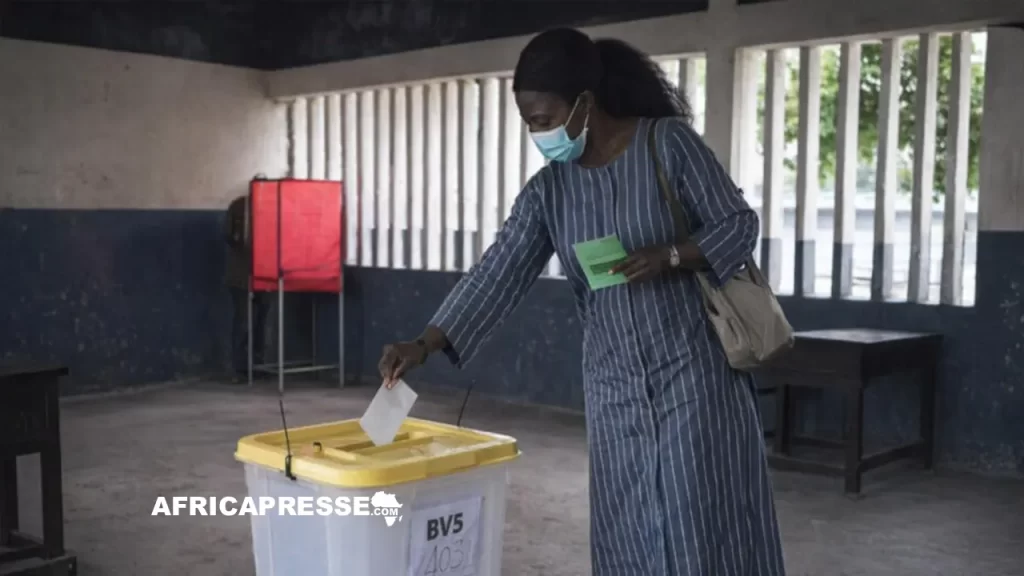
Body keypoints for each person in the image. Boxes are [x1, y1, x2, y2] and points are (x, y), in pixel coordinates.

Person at [378, 28, 786, 576]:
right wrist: (424, 343)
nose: (537, 133)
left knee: (703, 519)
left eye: (543, 119)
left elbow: (738, 224)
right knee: (627, 528)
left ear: (585, 104)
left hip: (694, 378)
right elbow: (496, 272)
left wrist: (670, 254)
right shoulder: (550, 191)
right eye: (528, 122)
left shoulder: (667, 145)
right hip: (613, 389)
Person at [225, 194, 269, 382]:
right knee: (245, 321)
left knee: (259, 323)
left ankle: (255, 366)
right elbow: (231, 237)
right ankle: (238, 367)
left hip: (263, 274)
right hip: (243, 276)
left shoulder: (267, 206)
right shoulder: (241, 206)